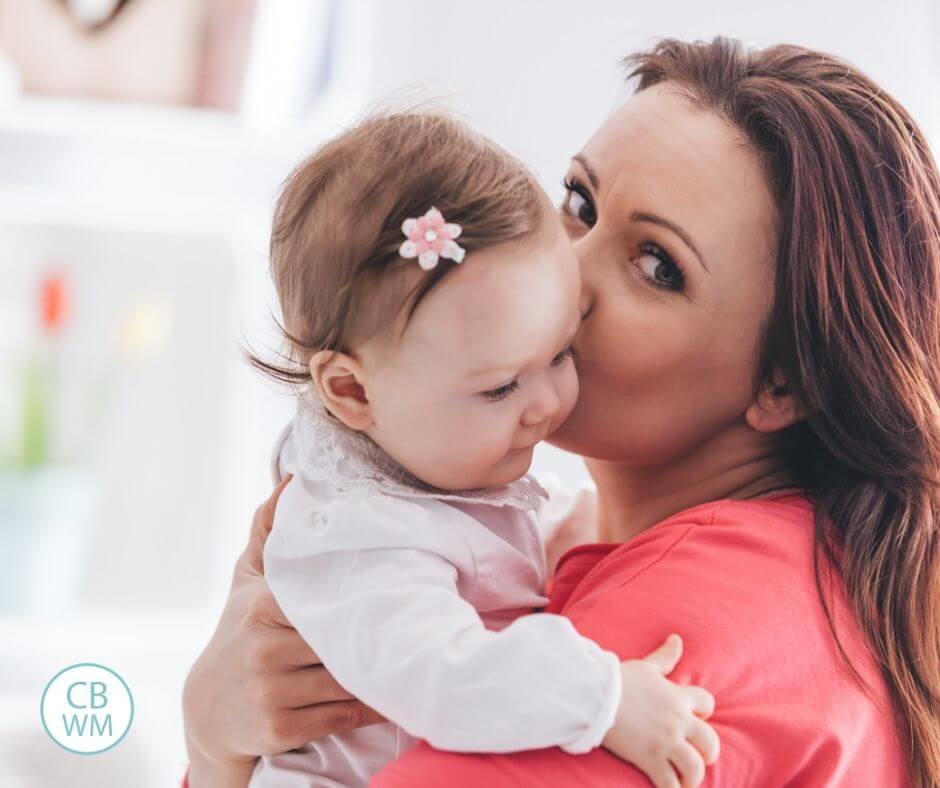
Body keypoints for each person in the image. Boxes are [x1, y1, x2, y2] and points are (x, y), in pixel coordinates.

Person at [183, 37, 940, 787]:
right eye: (579, 203)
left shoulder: (682, 633)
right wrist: (217, 744)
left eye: (656, 266)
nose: (559, 274)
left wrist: (214, 759)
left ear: (786, 384)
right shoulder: (558, 544)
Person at [245, 111, 717, 788]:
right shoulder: (358, 538)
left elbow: (483, 535)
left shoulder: (420, 458)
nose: (546, 404)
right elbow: (447, 673)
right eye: (501, 388)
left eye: (558, 355)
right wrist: (602, 700)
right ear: (351, 390)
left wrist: (575, 528)